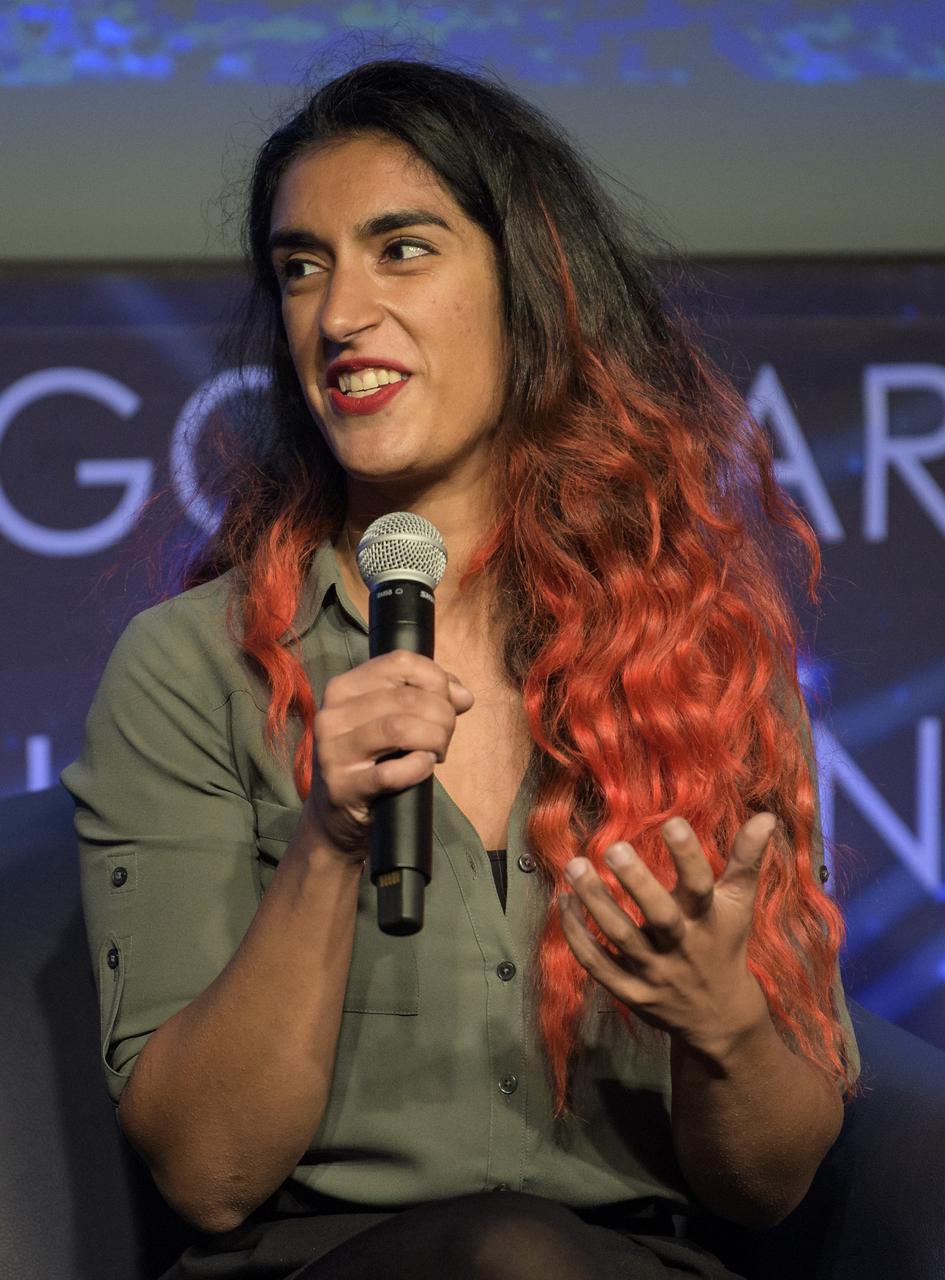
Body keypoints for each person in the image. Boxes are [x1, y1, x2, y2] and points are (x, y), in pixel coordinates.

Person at [63, 57, 859, 1280]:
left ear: (531, 291)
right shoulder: (192, 666)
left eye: (403, 248)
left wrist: (724, 1021)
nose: (338, 315)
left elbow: (769, 1185)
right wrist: (329, 841)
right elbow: (206, 1171)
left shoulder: (697, 660)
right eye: (302, 265)